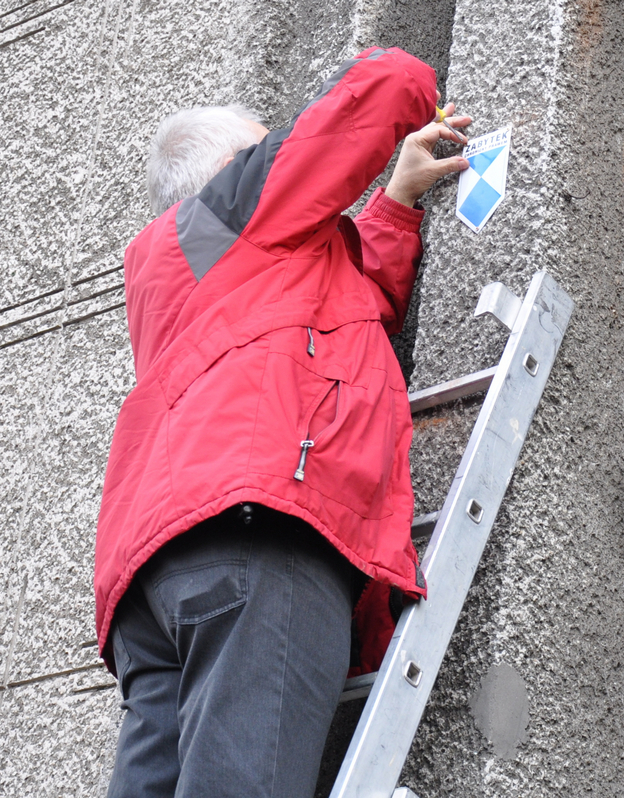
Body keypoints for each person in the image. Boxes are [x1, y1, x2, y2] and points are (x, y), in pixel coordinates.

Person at [93, 47, 472, 798]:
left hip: (155, 587)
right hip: (257, 538)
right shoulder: (238, 203)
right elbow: (393, 81)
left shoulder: (196, 269)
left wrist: (392, 206)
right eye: (268, 148)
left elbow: (343, 307)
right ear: (240, 164)